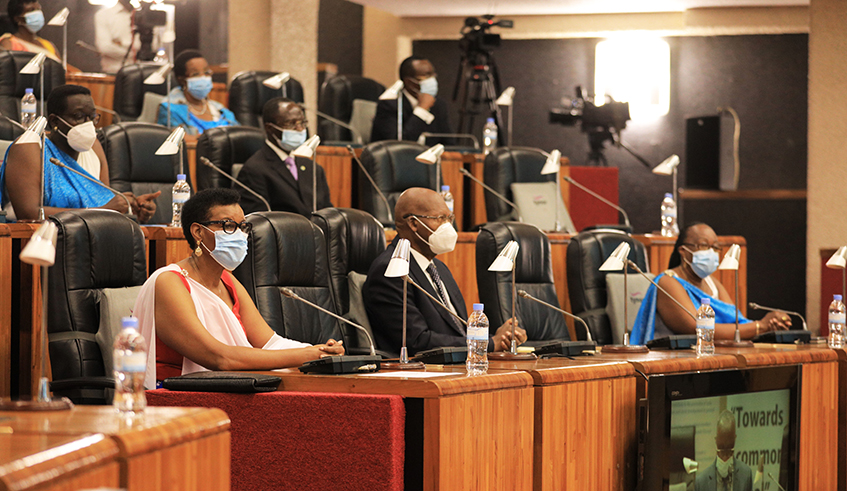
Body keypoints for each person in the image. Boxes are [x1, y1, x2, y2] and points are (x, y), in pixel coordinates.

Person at [133, 188, 344, 389]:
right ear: (198, 232)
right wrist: (307, 356)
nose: (239, 235)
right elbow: (220, 358)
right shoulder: (169, 282)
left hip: (226, 388)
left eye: (242, 226)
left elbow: (270, 343)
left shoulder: (227, 280)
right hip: (175, 400)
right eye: (228, 226)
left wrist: (320, 352)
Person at [363, 187, 525, 356]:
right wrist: (487, 344)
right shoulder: (392, 270)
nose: (448, 226)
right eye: (440, 219)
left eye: (450, 218)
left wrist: (501, 338)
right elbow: (418, 341)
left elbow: (459, 332)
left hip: (460, 365)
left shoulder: (439, 268)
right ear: (413, 224)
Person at [0, 84, 160, 222]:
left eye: (92, 118)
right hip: (36, 243)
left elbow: (101, 199)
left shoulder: (94, 146)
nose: (88, 125)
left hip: (90, 238)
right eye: (78, 117)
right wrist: (101, 212)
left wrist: (131, 207)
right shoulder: (30, 147)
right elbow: (29, 214)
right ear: (54, 121)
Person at [631, 223, 791, 344]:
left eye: (715, 247)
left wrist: (771, 324)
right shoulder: (667, 282)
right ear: (683, 251)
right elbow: (698, 328)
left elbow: (735, 322)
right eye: (703, 245)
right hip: (673, 361)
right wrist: (760, 327)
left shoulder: (712, 283)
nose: (711, 252)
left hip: (713, 354)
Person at [235, 97, 332, 216]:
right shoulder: (254, 170)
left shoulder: (313, 168)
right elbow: (258, 223)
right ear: (270, 128)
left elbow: (327, 213)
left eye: (302, 122)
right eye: (291, 124)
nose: (300, 129)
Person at [370, 56, 454, 146]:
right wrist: (421, 110)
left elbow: (449, 144)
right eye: (426, 76)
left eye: (433, 75)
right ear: (409, 82)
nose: (432, 80)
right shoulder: (390, 105)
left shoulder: (438, 104)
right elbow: (398, 144)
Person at [158, 49, 237, 134]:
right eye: (195, 74)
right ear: (182, 80)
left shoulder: (219, 109)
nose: (203, 77)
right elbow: (175, 139)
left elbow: (239, 135)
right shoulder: (170, 109)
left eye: (206, 72)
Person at [695, 410, 753, 491]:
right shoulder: (701, 482)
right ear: (716, 441)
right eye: (721, 449)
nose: (725, 457)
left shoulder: (746, 475)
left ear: (735, 440)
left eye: (729, 450)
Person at [94, 0, 139, 74]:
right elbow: (105, 47)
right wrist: (134, 54)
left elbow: (155, 45)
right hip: (114, 73)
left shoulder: (143, 15)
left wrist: (122, 45)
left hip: (142, 73)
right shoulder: (104, 15)